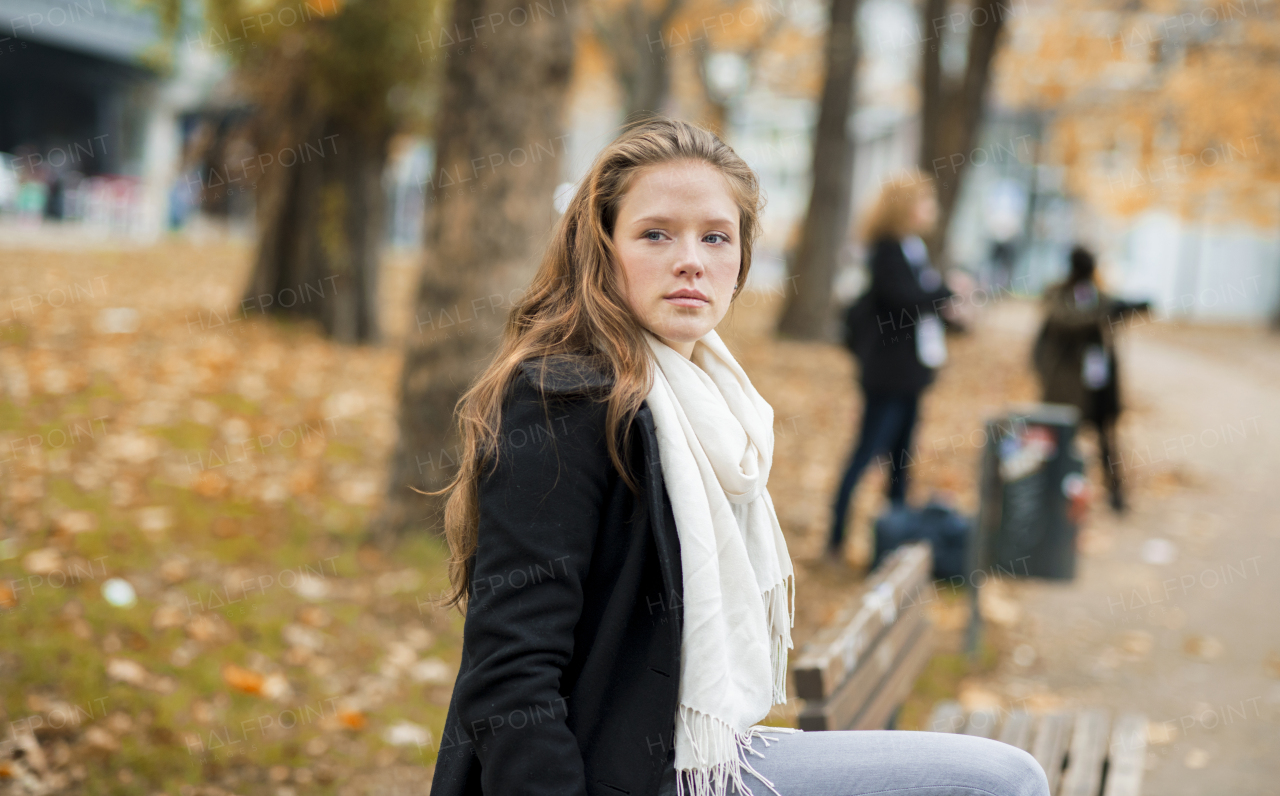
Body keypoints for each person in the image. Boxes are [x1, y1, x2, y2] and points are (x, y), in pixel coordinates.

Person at [427, 119, 1049, 796]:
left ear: (742, 262)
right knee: (1003, 783)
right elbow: (510, 678)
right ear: (601, 251)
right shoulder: (561, 400)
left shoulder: (716, 403)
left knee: (1008, 777)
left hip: (710, 753)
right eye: (656, 233)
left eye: (716, 237)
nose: (691, 259)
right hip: (627, 777)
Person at [827, 171, 956, 560]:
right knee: (866, 453)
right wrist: (948, 290)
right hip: (888, 375)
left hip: (909, 374)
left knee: (902, 459)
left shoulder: (910, 248)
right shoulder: (885, 249)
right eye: (924, 202)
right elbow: (905, 299)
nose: (930, 210)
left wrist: (946, 306)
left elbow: (920, 305)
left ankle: (893, 541)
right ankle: (836, 537)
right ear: (905, 207)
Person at [1032, 245, 1126, 511]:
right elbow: (1065, 320)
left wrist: (1123, 309)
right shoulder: (1059, 295)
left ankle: (1115, 493)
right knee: (1058, 438)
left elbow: (1109, 312)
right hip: (1066, 381)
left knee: (1105, 437)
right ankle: (1048, 492)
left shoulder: (1097, 296)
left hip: (1097, 381)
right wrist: (1103, 314)